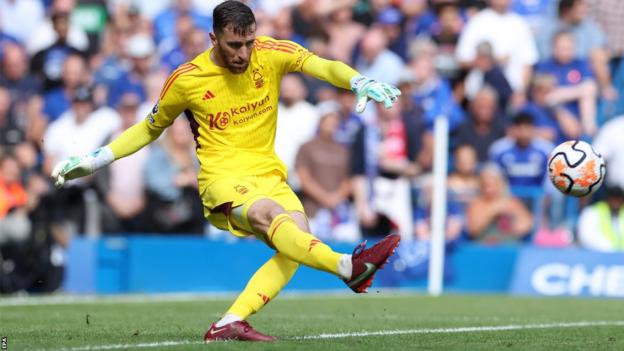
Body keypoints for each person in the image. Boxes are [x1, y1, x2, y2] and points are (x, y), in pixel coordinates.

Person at [51, 1, 401, 342]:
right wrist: (97, 159)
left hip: (269, 174)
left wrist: (358, 81)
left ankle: (230, 321)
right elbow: (149, 127)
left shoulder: (269, 52)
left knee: (296, 244)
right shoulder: (188, 79)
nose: (244, 53)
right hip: (223, 180)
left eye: (249, 42)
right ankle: (348, 267)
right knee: (274, 218)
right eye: (235, 45)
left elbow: (321, 65)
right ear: (213, 39)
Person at [466, 164, 533, 244]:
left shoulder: (510, 201)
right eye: (485, 185)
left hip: (508, 246)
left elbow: (527, 223)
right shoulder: (477, 204)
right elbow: (473, 229)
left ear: (500, 184)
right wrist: (492, 211)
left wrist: (515, 223)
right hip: (484, 247)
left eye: (492, 185)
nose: (488, 189)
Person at [578, 185, 624, 252]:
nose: (616, 202)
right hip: (600, 255)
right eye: (613, 199)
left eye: (618, 199)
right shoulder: (593, 212)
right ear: (607, 199)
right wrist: (608, 248)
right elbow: (586, 237)